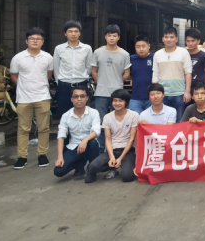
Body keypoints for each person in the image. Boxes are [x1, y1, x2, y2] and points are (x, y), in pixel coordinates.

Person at [10, 27, 54, 169]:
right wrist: (24, 86)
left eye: (38, 39)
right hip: (24, 98)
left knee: (44, 128)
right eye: (32, 39)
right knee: (23, 128)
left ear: (42, 42)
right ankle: (22, 157)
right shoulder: (18, 58)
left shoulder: (48, 57)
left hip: (42, 97)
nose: (35, 41)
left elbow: (48, 75)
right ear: (26, 41)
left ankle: (42, 155)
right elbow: (14, 76)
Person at [91, 24, 131, 153]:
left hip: (118, 94)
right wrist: (101, 83)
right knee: (101, 123)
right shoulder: (98, 52)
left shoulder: (124, 54)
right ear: (105, 37)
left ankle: (117, 148)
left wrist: (117, 82)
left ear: (118, 37)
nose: (112, 38)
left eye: (114, 35)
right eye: (109, 35)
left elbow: (127, 73)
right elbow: (93, 71)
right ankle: (101, 149)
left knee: (118, 122)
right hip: (101, 93)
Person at [85, 89, 138, 183]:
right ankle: (112, 167)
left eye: (120, 101)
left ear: (126, 102)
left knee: (127, 176)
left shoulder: (134, 115)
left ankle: (124, 164)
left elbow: (132, 139)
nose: (117, 103)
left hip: (128, 150)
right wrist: (112, 156)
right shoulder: (107, 117)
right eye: (115, 100)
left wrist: (120, 158)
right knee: (92, 167)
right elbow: (108, 139)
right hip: (113, 149)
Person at [54, 86, 100, 178]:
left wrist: (85, 140)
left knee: (93, 143)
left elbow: (96, 131)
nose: (79, 99)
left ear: (87, 98)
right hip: (74, 146)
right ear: (71, 99)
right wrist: (60, 157)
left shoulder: (94, 113)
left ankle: (92, 169)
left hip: (89, 145)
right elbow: (61, 137)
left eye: (82, 96)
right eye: (76, 96)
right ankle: (79, 165)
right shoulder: (66, 116)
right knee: (58, 171)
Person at [53, 20, 93, 117]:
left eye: (76, 31)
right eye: (70, 31)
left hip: (81, 84)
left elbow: (89, 67)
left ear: (79, 33)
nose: (73, 34)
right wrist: (60, 82)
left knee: (82, 113)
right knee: (64, 113)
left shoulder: (87, 48)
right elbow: (56, 67)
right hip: (64, 86)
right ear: (65, 33)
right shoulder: (59, 49)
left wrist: (83, 76)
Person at [152, 26, 192, 120]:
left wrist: (187, 92)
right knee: (163, 120)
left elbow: (188, 72)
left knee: (179, 121)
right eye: (166, 37)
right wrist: (156, 93)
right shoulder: (157, 54)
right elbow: (155, 74)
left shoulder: (183, 52)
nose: (168, 39)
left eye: (171, 37)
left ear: (176, 39)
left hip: (179, 93)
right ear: (163, 39)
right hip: (163, 94)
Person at [128, 35, 154, 115]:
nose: (141, 49)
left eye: (143, 46)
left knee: (151, 121)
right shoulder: (131, 59)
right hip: (135, 98)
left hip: (152, 98)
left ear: (148, 46)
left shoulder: (155, 57)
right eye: (138, 47)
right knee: (135, 121)